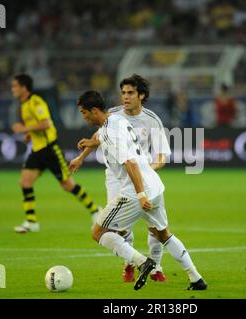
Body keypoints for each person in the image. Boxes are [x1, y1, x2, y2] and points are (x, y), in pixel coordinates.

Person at [71, 90, 207, 291]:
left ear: (94, 110)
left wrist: (140, 194)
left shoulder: (109, 132)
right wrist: (90, 146)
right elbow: (104, 137)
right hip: (155, 185)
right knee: (164, 235)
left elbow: (130, 163)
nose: (83, 117)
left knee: (99, 232)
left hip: (136, 191)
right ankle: (196, 278)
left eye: (84, 112)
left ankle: (142, 262)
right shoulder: (116, 119)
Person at [69, 74, 171, 283]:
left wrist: (146, 171)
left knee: (154, 226)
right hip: (117, 177)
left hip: (142, 175)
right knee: (118, 226)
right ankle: (130, 263)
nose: (125, 97)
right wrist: (81, 157)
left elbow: (162, 155)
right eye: (123, 92)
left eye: (130, 92)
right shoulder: (113, 115)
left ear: (141, 95)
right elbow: (98, 138)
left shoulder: (152, 120)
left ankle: (156, 267)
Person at [10, 74, 101, 233]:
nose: (13, 89)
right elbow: (36, 125)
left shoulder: (35, 101)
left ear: (24, 87)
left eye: (15, 86)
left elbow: (46, 123)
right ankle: (31, 222)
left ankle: (95, 210)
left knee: (67, 184)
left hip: (49, 149)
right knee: (25, 182)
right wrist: (29, 135)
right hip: (37, 150)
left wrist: (24, 129)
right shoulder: (23, 104)